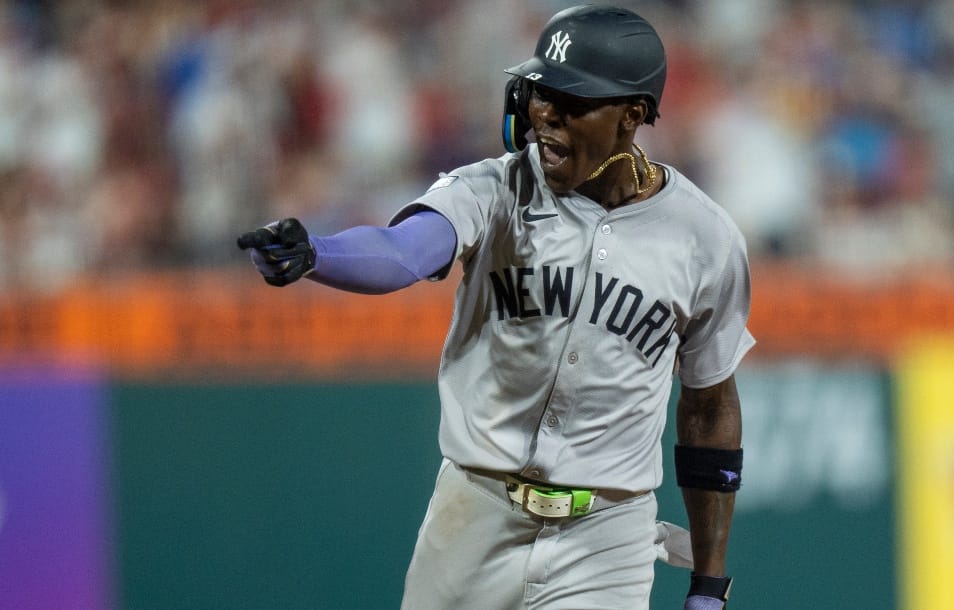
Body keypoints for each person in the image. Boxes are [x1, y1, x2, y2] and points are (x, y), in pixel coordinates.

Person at [237, 5, 753, 609]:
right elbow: (402, 253)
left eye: (574, 101)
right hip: (474, 516)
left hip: (606, 537)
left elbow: (710, 406)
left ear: (632, 116)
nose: (547, 116)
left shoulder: (705, 238)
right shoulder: (493, 189)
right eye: (540, 94)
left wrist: (709, 581)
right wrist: (315, 253)